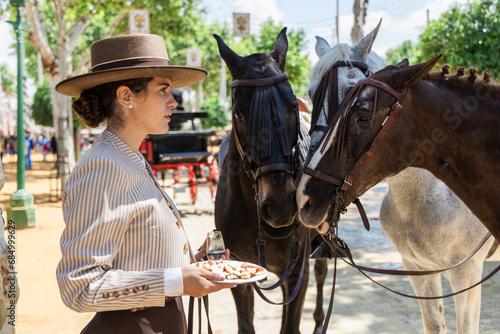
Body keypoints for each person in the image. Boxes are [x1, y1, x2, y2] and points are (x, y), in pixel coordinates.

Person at [55, 34, 235, 334]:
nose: (173, 101)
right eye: (163, 90)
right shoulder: (103, 166)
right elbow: (79, 286)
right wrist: (178, 280)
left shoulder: (130, 158)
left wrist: (193, 263)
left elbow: (135, 254)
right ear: (127, 97)